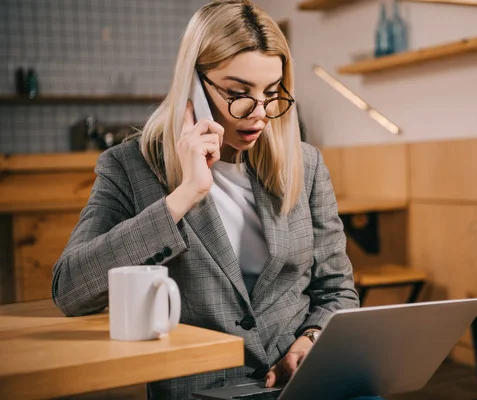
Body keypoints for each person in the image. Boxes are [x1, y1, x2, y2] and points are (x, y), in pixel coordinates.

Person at [52, 1, 381, 399]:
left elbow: (337, 290)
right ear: (193, 83)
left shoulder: (305, 164)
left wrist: (310, 340)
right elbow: (71, 289)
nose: (259, 114)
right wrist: (184, 195)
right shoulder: (128, 167)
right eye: (239, 93)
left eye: (272, 93)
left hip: (302, 382)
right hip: (203, 387)